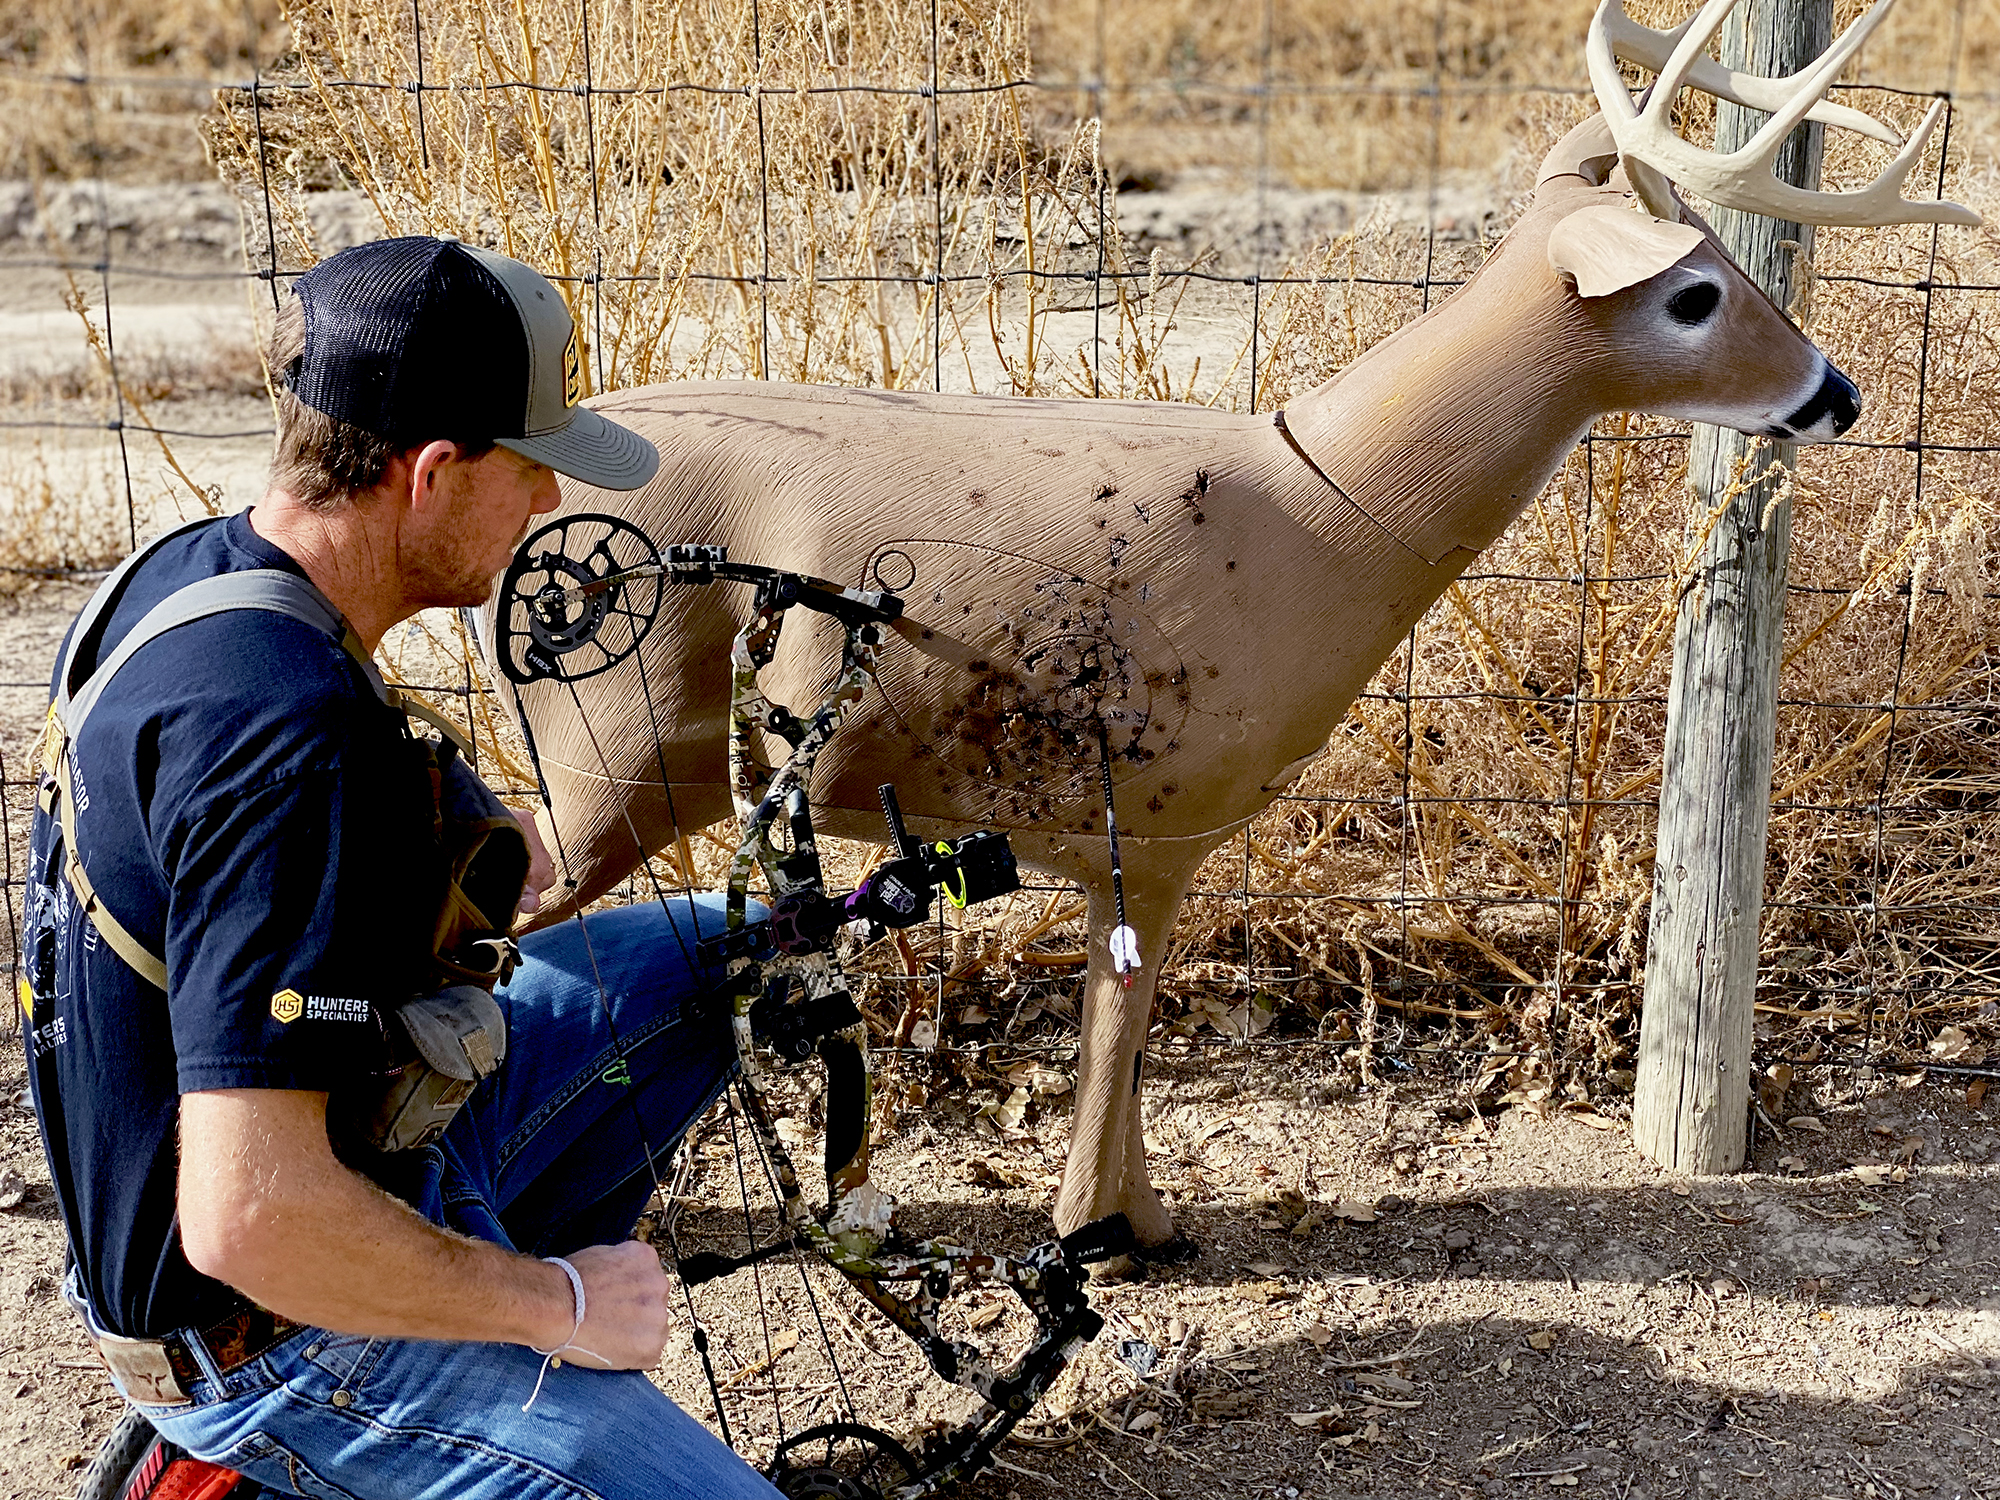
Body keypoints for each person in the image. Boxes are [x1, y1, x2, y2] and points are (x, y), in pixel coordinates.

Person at [21, 236, 782, 1499]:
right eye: (530, 468)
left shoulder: (198, 579)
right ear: (432, 473)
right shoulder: (286, 744)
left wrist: (460, 829)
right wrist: (559, 1303)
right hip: (273, 1332)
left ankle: (470, 1299)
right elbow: (250, 1219)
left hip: (347, 1146)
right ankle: (371, 1419)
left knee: (712, 957)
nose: (547, 506)